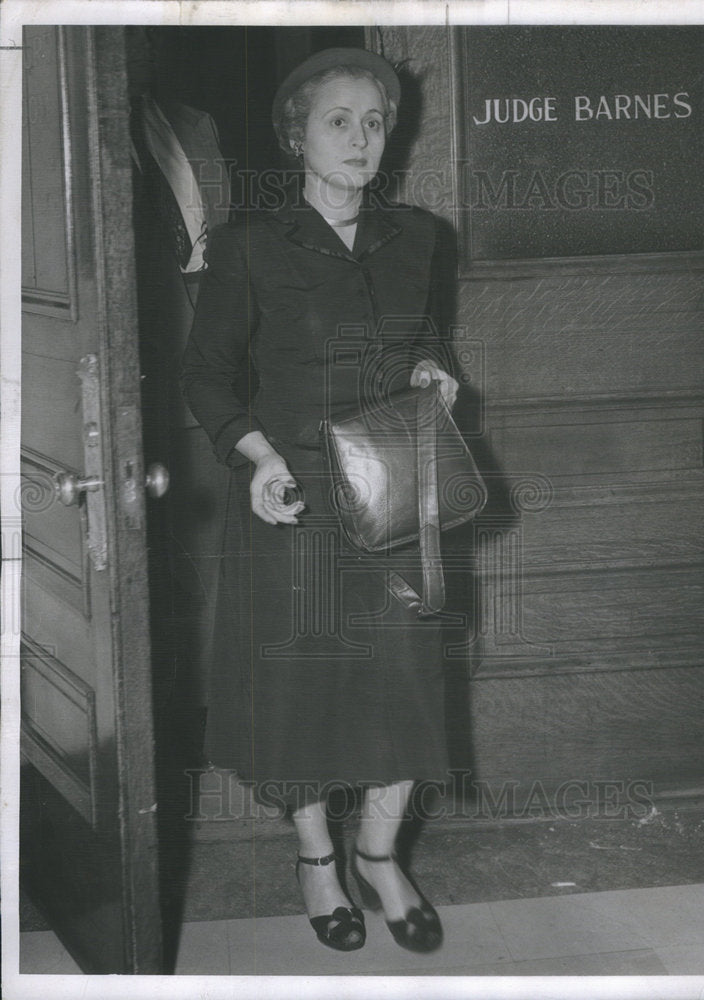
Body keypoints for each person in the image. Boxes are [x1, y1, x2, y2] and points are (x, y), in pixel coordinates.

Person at [180, 47, 458, 954]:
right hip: (290, 493)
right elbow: (209, 376)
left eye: (375, 122)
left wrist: (432, 373)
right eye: (339, 121)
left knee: (402, 682)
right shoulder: (249, 243)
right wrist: (255, 457)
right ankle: (315, 859)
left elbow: (425, 344)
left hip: (389, 493)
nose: (361, 140)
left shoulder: (418, 237)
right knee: (296, 689)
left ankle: (378, 855)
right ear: (297, 134)